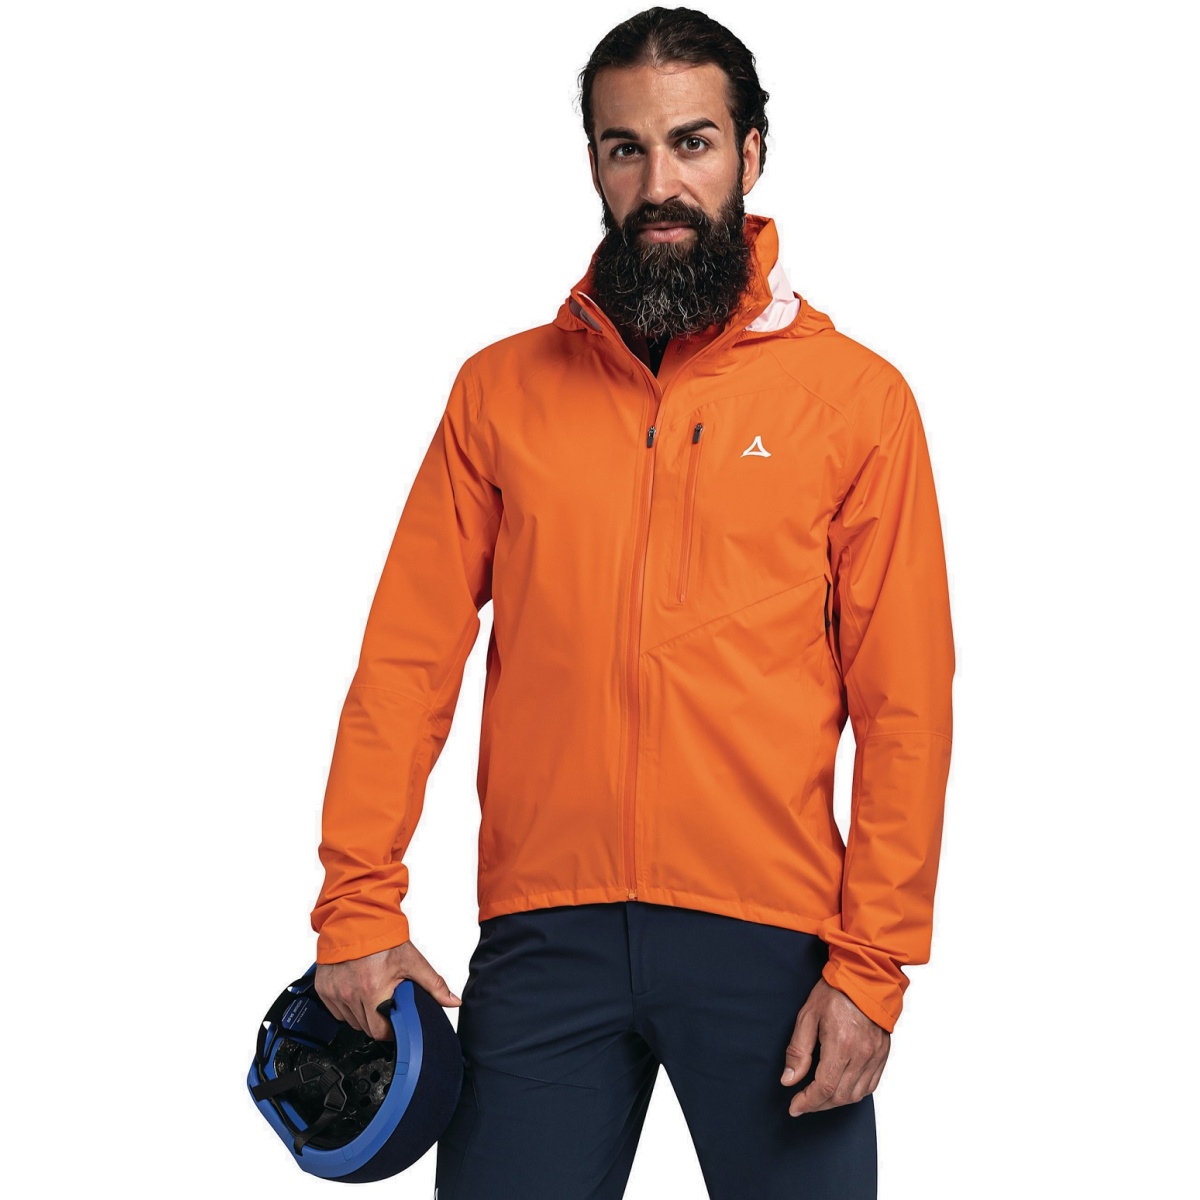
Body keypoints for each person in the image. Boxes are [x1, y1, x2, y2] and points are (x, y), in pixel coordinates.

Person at [309, 7, 954, 1197]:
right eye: (627, 148)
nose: (661, 185)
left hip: (774, 948)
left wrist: (873, 968)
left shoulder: (856, 403)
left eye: (693, 143)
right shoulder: (499, 392)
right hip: (545, 937)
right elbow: (407, 661)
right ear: (596, 163)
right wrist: (357, 906)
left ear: (751, 153)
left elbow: (905, 704)